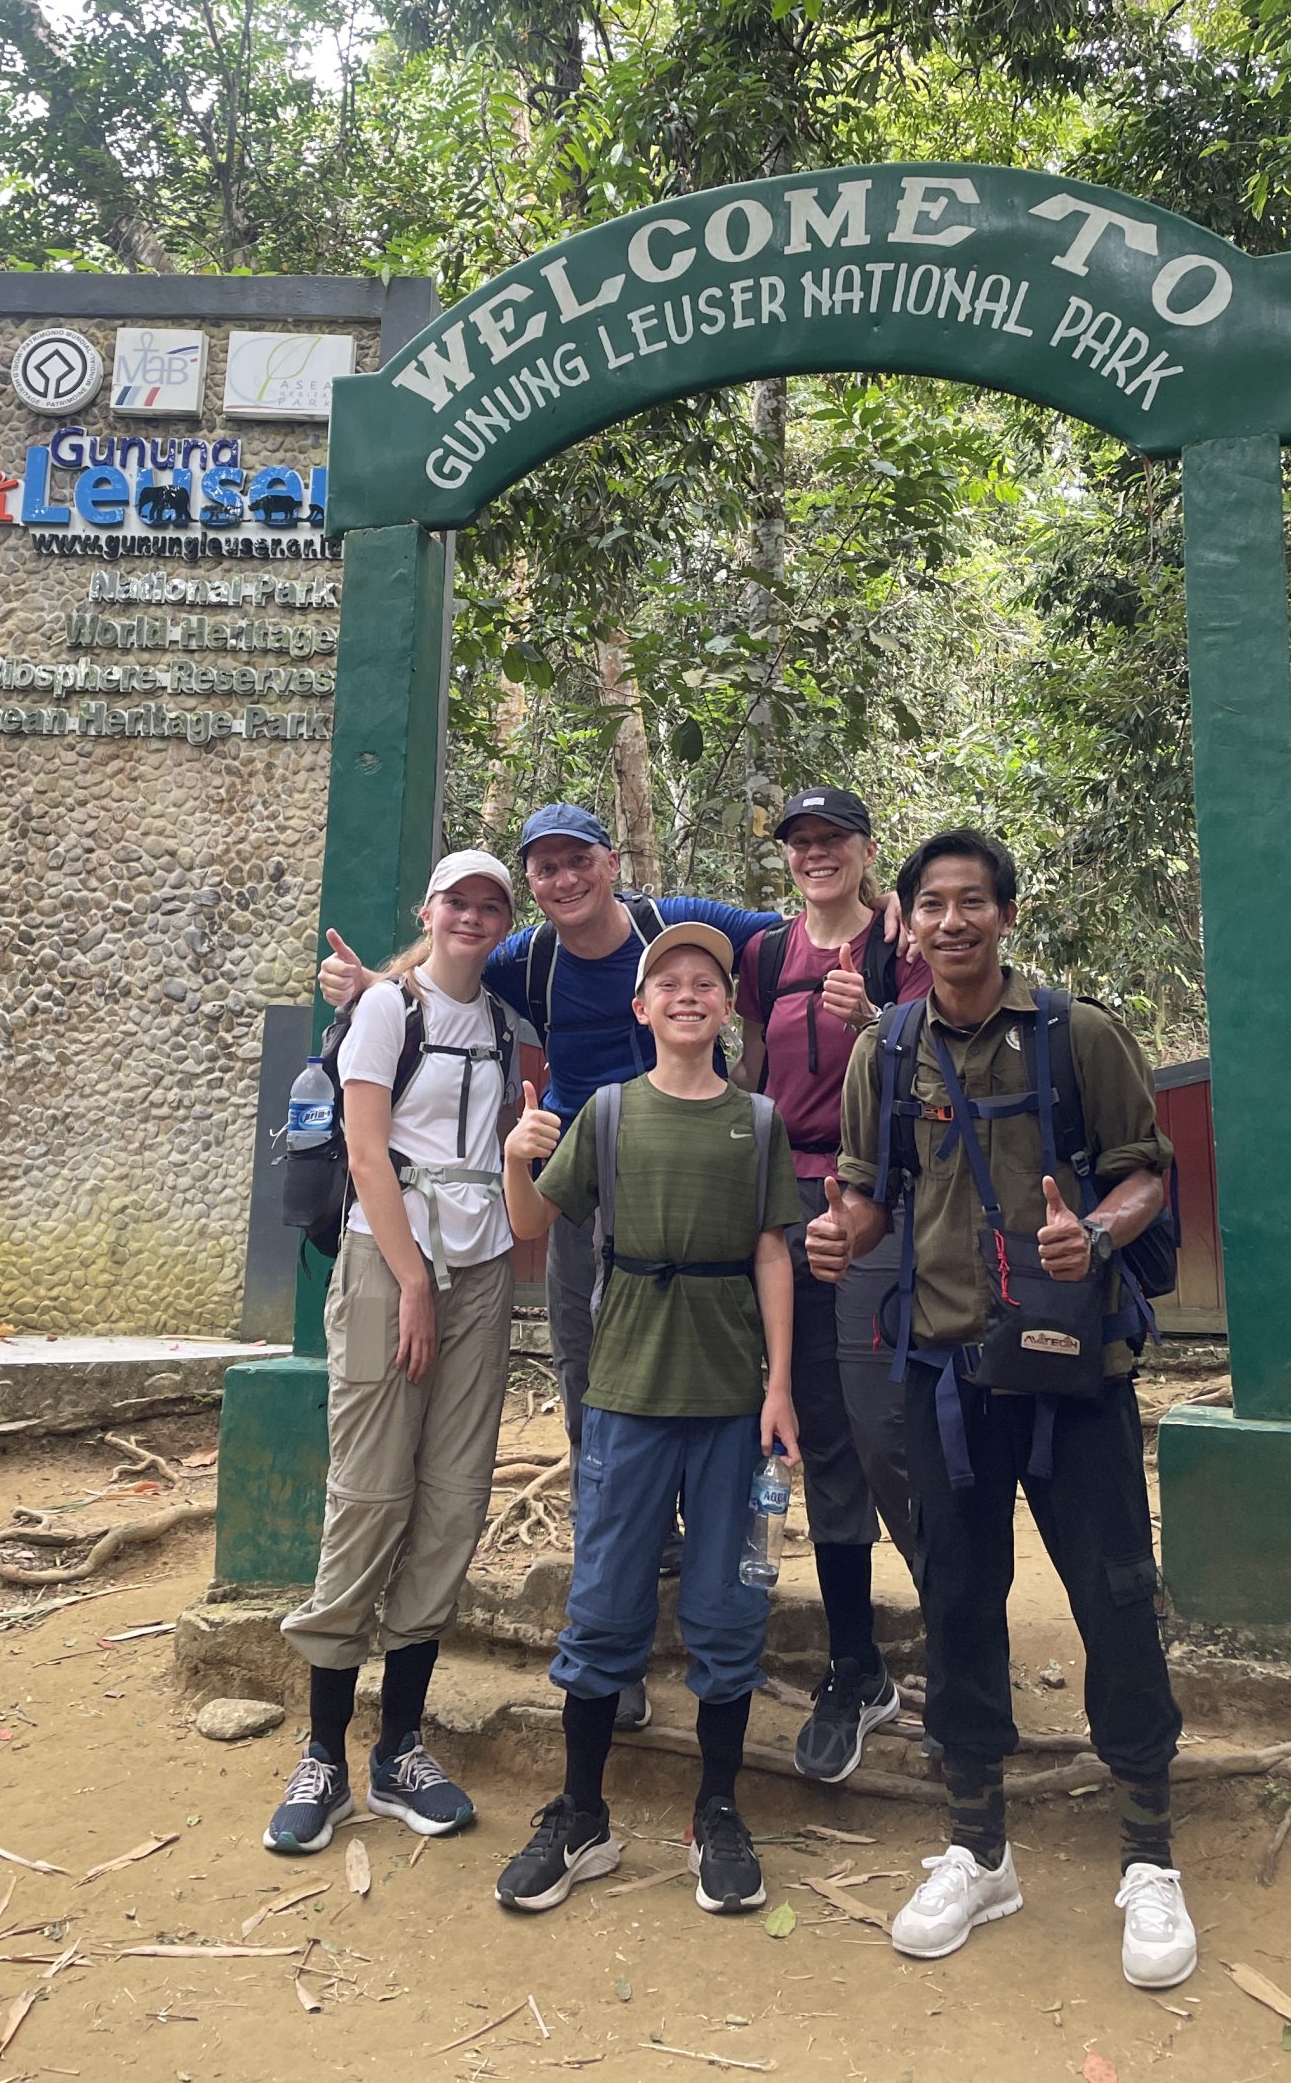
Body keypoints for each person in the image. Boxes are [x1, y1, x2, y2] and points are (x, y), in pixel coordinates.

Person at [806, 828, 1195, 1990]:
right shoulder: (890, 1047)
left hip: (1077, 1382)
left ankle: (1149, 1856)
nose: (952, 922)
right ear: (909, 923)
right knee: (961, 1604)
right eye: (932, 905)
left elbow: (1145, 1170)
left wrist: (1100, 1230)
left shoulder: (1079, 1033)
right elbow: (874, 1198)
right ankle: (977, 1845)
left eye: (974, 903)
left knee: (1117, 1599)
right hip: (947, 1380)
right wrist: (841, 1234)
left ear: (1007, 917)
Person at [320, 802, 782, 1729]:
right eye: (544, 870)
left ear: (611, 864)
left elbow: (794, 934)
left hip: (623, 1201)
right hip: (515, 1210)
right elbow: (432, 991)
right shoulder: (515, 961)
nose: (563, 881)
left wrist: (884, 915)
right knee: (578, 1386)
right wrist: (372, 985)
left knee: (702, 1384)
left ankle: (704, 1601)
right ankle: (612, 1628)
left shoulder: (668, 926)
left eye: (579, 862)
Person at [494, 924, 802, 1916]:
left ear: (726, 1009)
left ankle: (718, 1808)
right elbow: (534, 1226)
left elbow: (770, 1254)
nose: (685, 993)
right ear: (640, 1007)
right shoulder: (610, 1114)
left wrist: (781, 1385)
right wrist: (515, 1156)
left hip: (729, 1407)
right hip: (625, 1399)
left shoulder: (755, 1123)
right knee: (603, 1605)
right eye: (665, 981)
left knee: (727, 1608)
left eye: (704, 982)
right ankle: (581, 1811)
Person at [267, 850, 524, 1856]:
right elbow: (367, 1150)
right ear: (430, 908)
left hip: (486, 1265)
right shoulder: (389, 1008)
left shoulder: (504, 1022)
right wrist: (414, 1278)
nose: (472, 916)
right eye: (457, 900)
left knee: (454, 1496)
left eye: (490, 904)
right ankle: (324, 1751)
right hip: (389, 1263)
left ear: (504, 922)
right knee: (370, 1491)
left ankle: (401, 1745)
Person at [728, 787, 929, 1785]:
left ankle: (965, 1653)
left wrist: (882, 1015)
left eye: (832, 841)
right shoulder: (765, 956)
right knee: (822, 1426)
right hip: (786, 1201)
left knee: (890, 1424)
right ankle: (856, 1665)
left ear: (865, 850)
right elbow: (759, 1070)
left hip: (879, 1201)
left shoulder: (902, 950)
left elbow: (947, 1067)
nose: (816, 856)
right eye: (801, 843)